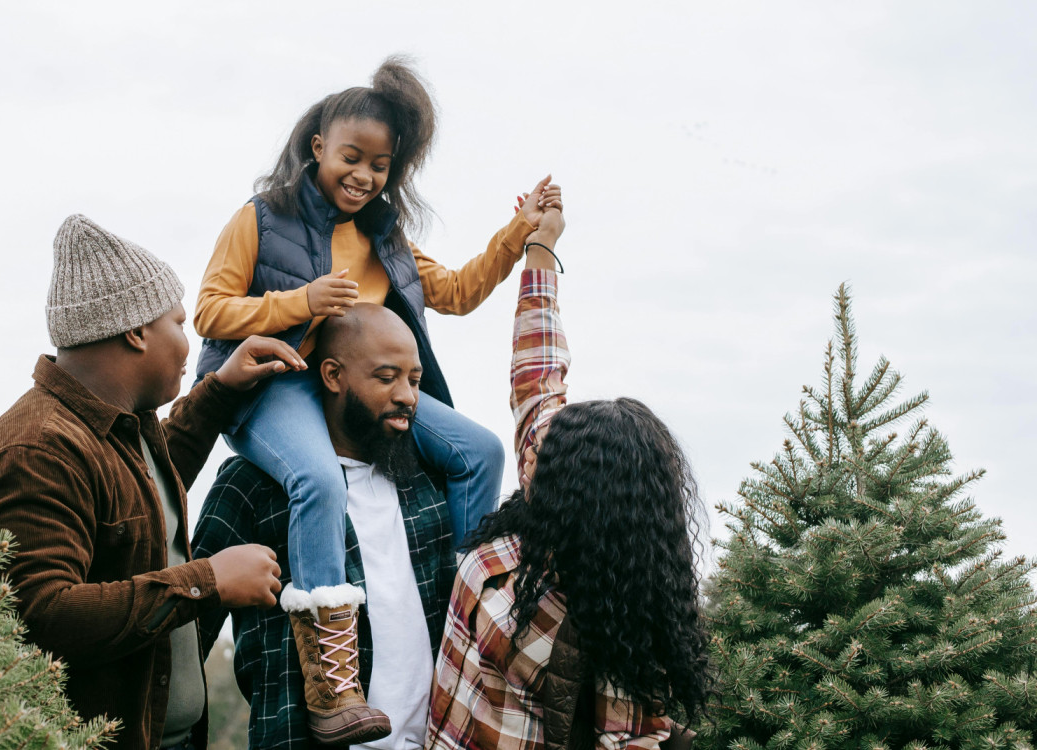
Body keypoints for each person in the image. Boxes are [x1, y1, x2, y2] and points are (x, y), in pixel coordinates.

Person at [191, 55, 562, 742]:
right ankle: (332, 681)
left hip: (367, 387)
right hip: (278, 381)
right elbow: (210, 312)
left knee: (478, 450)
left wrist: (523, 234)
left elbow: (454, 292)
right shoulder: (262, 219)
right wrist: (298, 302)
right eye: (351, 158)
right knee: (315, 480)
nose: (363, 176)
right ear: (318, 150)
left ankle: (464, 615)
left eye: (380, 165)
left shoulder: (385, 238)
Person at [0, 214, 302, 750]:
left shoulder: (121, 427)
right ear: (136, 331)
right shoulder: (37, 450)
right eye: (180, 323)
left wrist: (221, 390)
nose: (191, 344)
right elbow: (37, 618)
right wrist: (206, 580)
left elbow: (143, 502)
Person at [426, 206, 712, 750]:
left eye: (546, 462)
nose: (529, 459)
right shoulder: (550, 482)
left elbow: (624, 736)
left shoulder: (612, 611)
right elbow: (536, 368)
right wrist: (542, 247)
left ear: (585, 499)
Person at [193, 304, 458, 749]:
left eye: (414, 380)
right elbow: (187, 634)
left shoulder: (427, 484)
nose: (407, 397)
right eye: (386, 377)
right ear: (333, 376)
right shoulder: (253, 485)